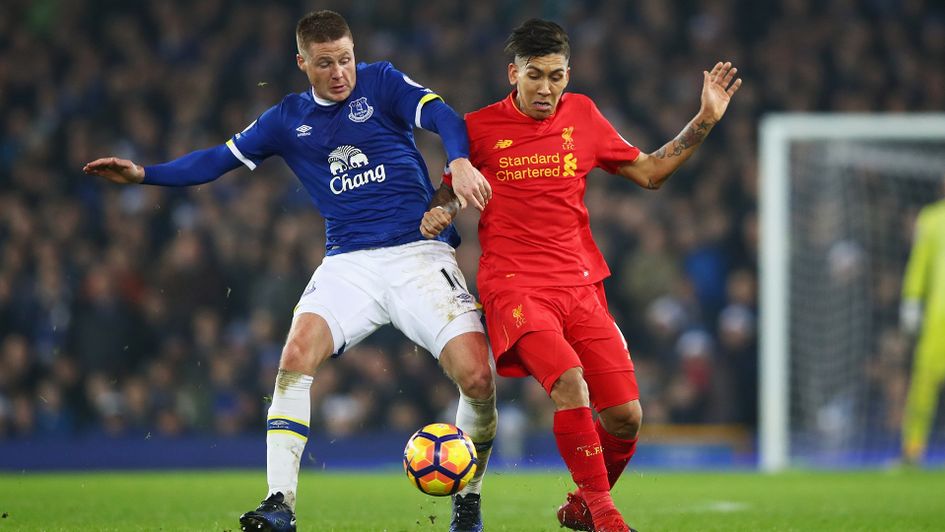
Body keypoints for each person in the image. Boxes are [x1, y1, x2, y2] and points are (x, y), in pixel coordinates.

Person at [84, 10, 497, 532]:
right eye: (325, 64)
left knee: (478, 377)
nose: (340, 72)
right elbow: (216, 160)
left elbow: (443, 116)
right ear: (302, 63)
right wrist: (145, 174)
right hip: (347, 263)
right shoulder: (285, 119)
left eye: (345, 59)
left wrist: (457, 161)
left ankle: (468, 500)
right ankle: (280, 503)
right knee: (295, 356)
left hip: (418, 254)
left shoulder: (383, 81)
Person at [421, 19, 741, 532]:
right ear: (513, 73)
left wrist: (704, 117)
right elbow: (445, 193)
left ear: (568, 73)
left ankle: (580, 507)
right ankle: (607, 518)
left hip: (582, 287)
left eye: (556, 76)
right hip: (515, 287)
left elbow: (652, 172)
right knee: (570, 382)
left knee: (627, 418)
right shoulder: (477, 128)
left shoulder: (584, 115)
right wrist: (439, 210)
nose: (546, 88)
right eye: (535, 76)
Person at [900, 176, 945, 466]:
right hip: (939, 314)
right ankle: (913, 449)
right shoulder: (930, 218)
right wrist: (912, 299)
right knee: (924, 381)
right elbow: (920, 261)